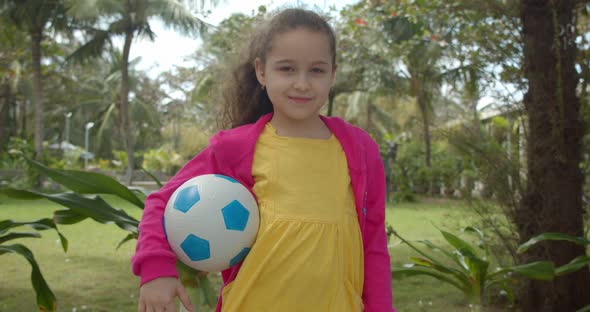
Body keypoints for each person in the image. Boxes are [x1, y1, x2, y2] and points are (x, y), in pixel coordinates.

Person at [132, 8, 395, 312]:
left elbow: (373, 245)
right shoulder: (236, 147)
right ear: (261, 72)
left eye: (317, 70)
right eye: (286, 69)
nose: (302, 83)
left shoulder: (360, 149)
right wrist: (155, 270)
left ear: (333, 74)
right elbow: (161, 202)